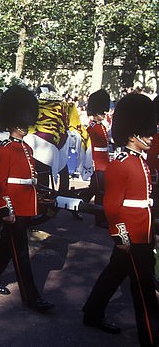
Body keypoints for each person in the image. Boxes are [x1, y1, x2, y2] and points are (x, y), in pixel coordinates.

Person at [82, 93, 158, 344]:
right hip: (132, 236)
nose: (151, 136)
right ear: (132, 135)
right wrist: (122, 236)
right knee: (143, 286)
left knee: (114, 273)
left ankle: (92, 312)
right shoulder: (121, 164)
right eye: (146, 133)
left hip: (142, 232)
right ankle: (150, 334)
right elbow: (112, 206)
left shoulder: (140, 162)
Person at [0, 85, 54, 313]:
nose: (24, 126)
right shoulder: (5, 149)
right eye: (20, 122)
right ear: (11, 122)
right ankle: (31, 296)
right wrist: (6, 208)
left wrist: (40, 197)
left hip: (24, 205)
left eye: (26, 121)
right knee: (21, 253)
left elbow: (28, 180)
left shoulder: (26, 148)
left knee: (6, 244)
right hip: (13, 207)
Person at [83, 89, 111, 225]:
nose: (104, 115)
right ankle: (99, 219)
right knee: (100, 190)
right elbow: (90, 147)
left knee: (94, 189)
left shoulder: (101, 127)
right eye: (101, 112)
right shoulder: (92, 127)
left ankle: (79, 205)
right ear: (95, 112)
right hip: (97, 162)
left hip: (104, 162)